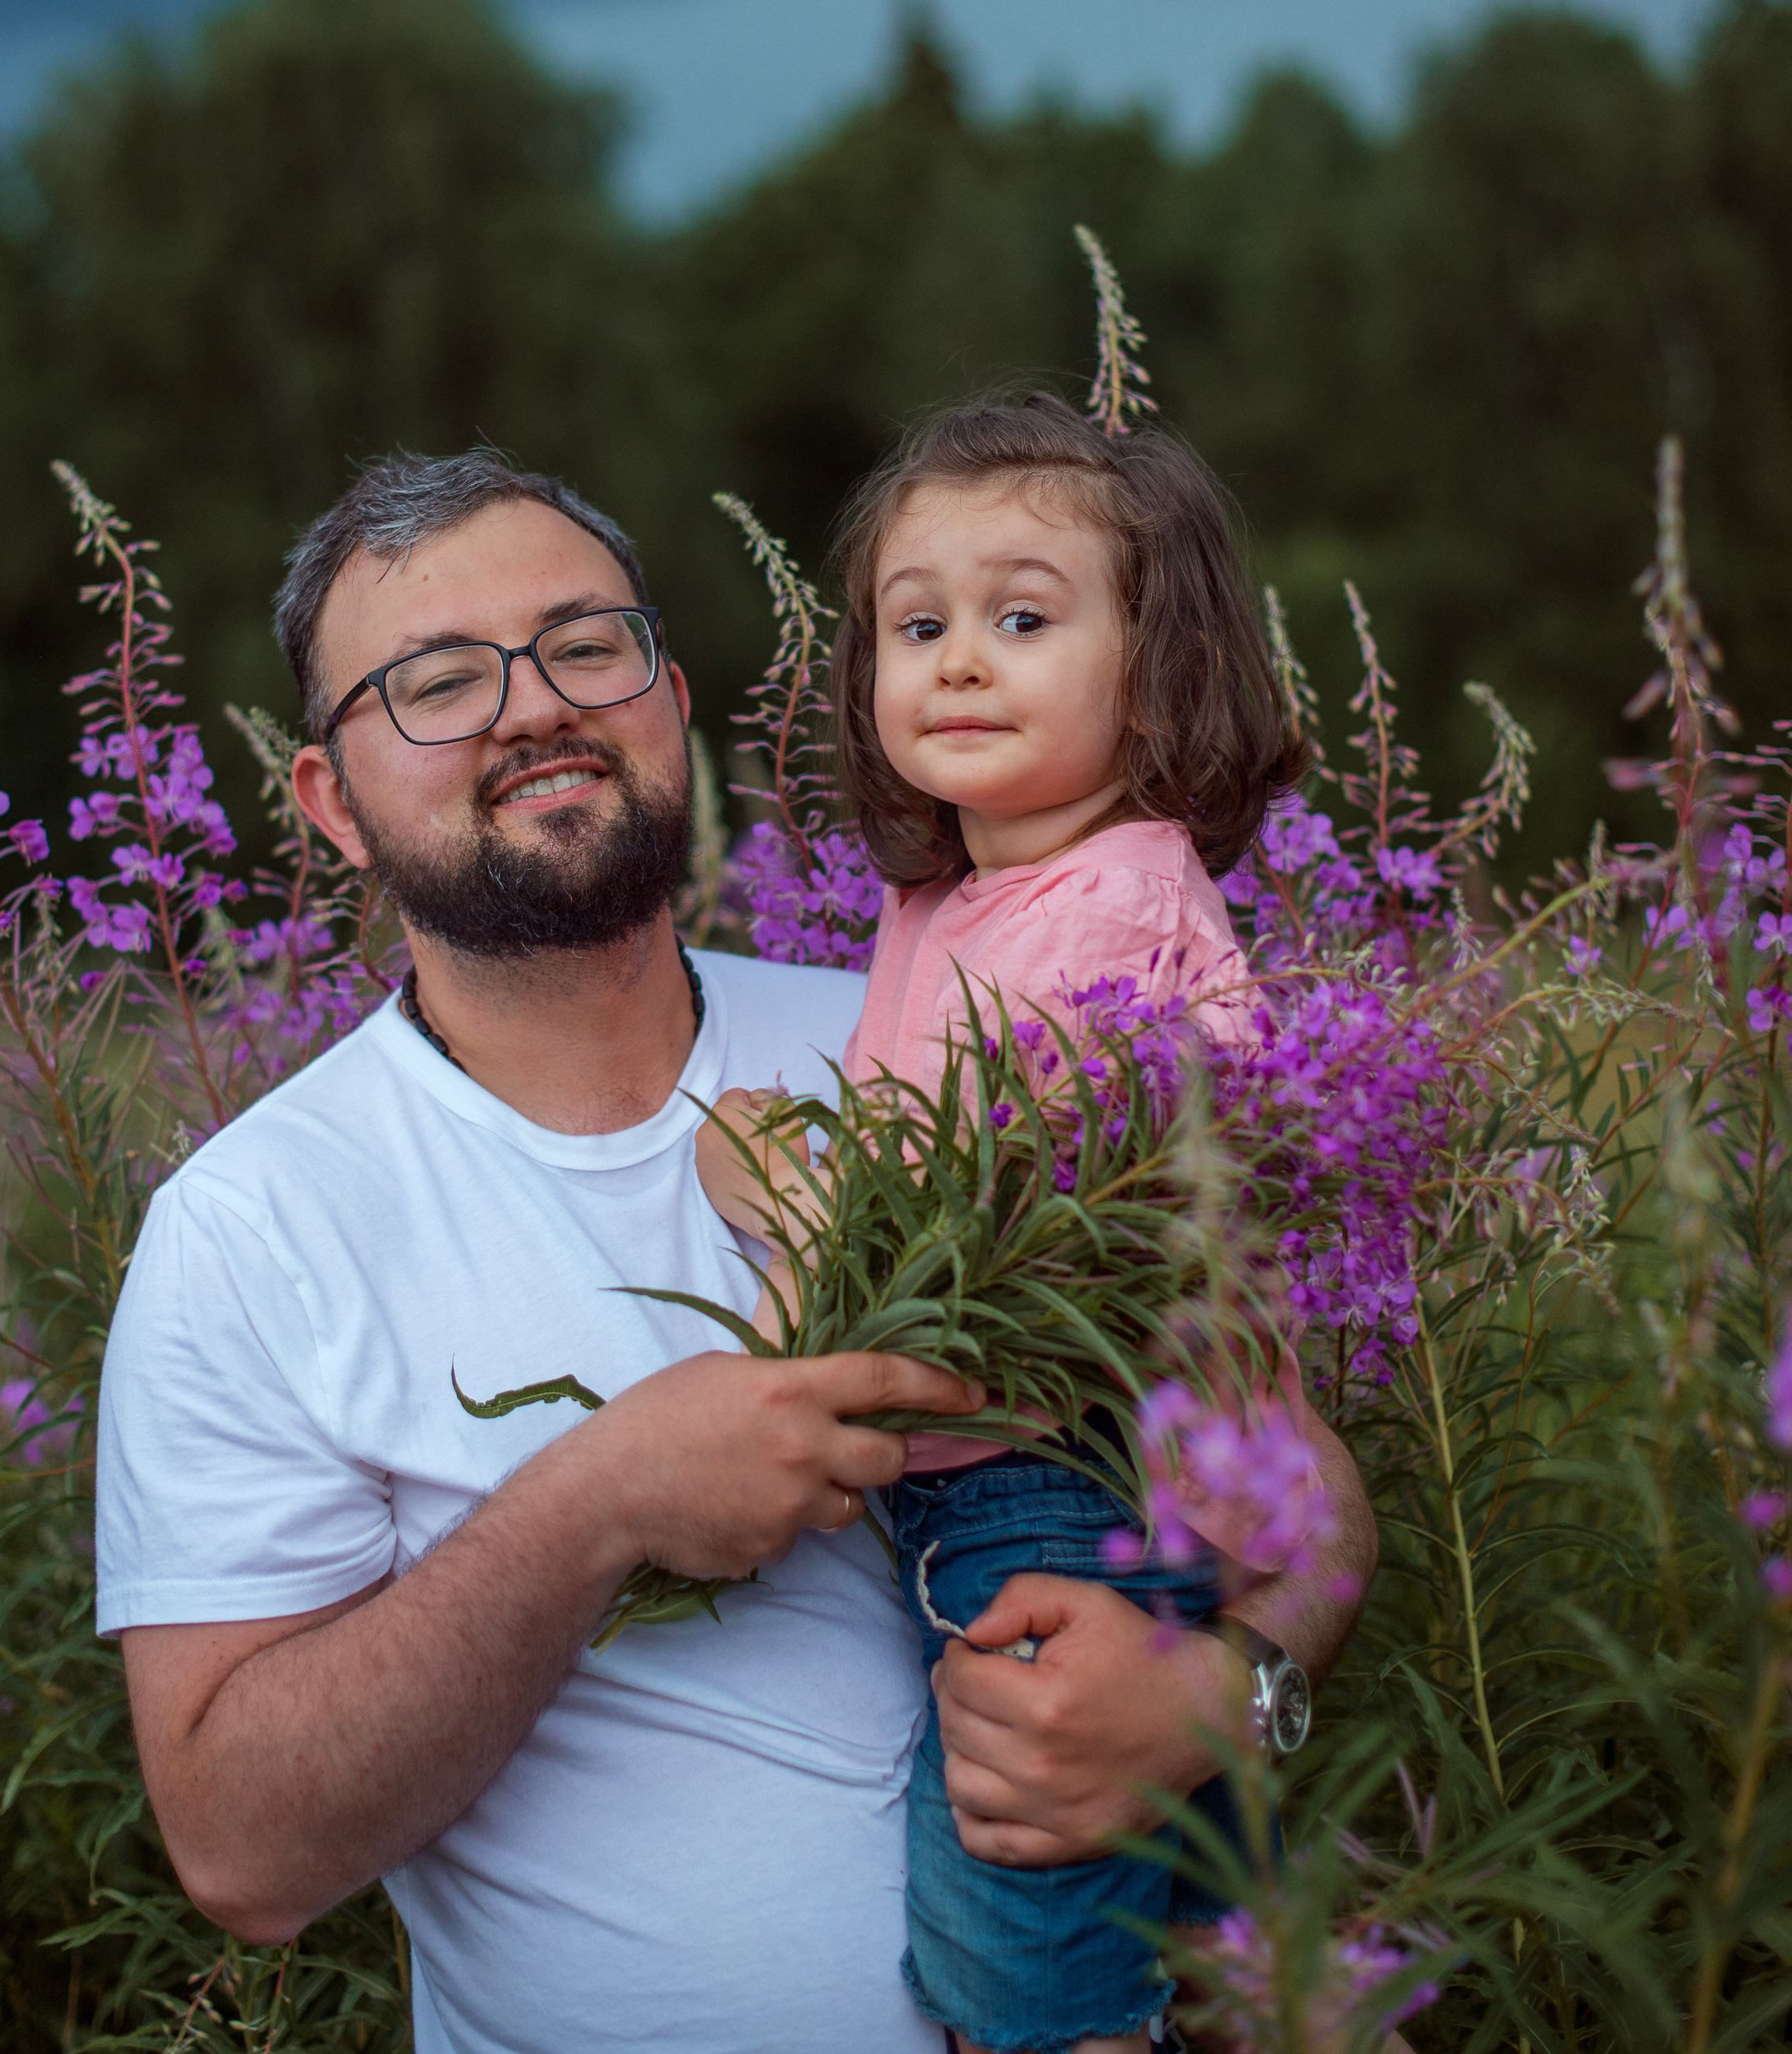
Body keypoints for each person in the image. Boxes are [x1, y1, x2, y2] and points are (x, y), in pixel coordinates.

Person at [93, 444, 1380, 2054]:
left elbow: (1298, 1483)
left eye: (584, 644)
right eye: (433, 679)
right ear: (329, 803)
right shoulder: (249, 1227)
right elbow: (237, 1846)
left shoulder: (937, 1041)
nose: (529, 706)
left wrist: (1214, 1693)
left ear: (669, 701)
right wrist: (596, 1501)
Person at [696, 393, 1324, 2054]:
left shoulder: (1116, 895)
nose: (957, 659)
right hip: (1015, 1469)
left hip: (1051, 1482)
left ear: (1159, 666)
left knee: (1017, 1939)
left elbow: (967, 1237)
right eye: (916, 625)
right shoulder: (953, 901)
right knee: (1194, 1940)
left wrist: (768, 1177)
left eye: (1021, 617)